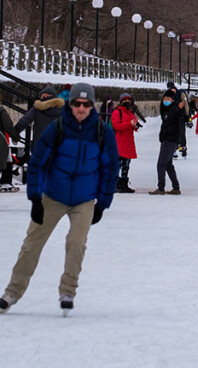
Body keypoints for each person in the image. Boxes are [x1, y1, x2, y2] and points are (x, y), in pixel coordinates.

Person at [0, 83, 118, 315]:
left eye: (86, 104)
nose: (81, 108)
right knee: (32, 244)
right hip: (53, 195)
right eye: (77, 103)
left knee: (76, 243)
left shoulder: (103, 132)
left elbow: (110, 169)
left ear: (92, 105)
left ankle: (67, 291)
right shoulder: (58, 128)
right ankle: (12, 292)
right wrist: (35, 198)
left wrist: (102, 204)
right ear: (70, 104)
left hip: (84, 199)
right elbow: (38, 164)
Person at [151, 87, 185, 195]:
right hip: (166, 138)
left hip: (171, 139)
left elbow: (178, 119)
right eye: (164, 98)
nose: (165, 100)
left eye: (168, 98)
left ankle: (161, 188)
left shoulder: (176, 109)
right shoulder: (167, 110)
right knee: (168, 164)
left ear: (173, 100)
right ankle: (176, 187)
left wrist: (178, 108)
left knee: (161, 164)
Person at [109, 93, 140, 193]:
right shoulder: (117, 112)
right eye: (125, 100)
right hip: (119, 142)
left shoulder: (130, 112)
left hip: (129, 142)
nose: (127, 102)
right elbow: (116, 126)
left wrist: (135, 125)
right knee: (118, 164)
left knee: (126, 165)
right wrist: (129, 124)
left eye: (128, 100)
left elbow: (134, 126)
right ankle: (115, 184)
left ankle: (123, 183)